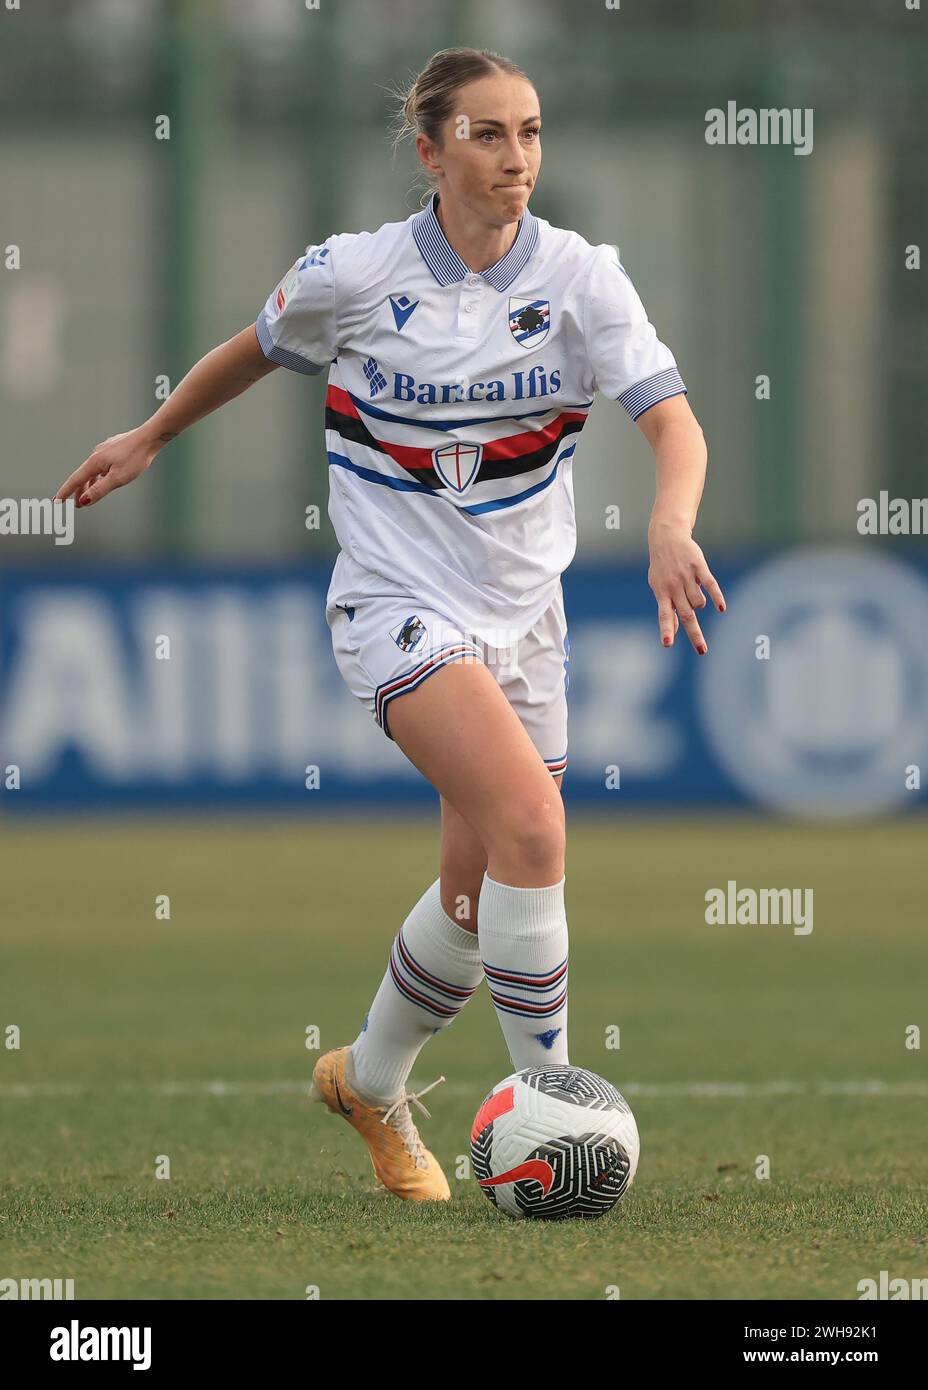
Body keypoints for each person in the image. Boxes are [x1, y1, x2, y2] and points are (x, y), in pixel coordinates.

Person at [56, 46, 725, 1204]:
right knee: (532, 828)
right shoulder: (352, 275)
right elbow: (249, 354)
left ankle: (368, 1081)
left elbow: (673, 423)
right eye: (487, 135)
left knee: (474, 905)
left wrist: (671, 524)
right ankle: (553, 1118)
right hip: (395, 608)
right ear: (429, 151)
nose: (516, 158)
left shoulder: (579, 277)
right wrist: (152, 435)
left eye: (530, 132)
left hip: (529, 622)